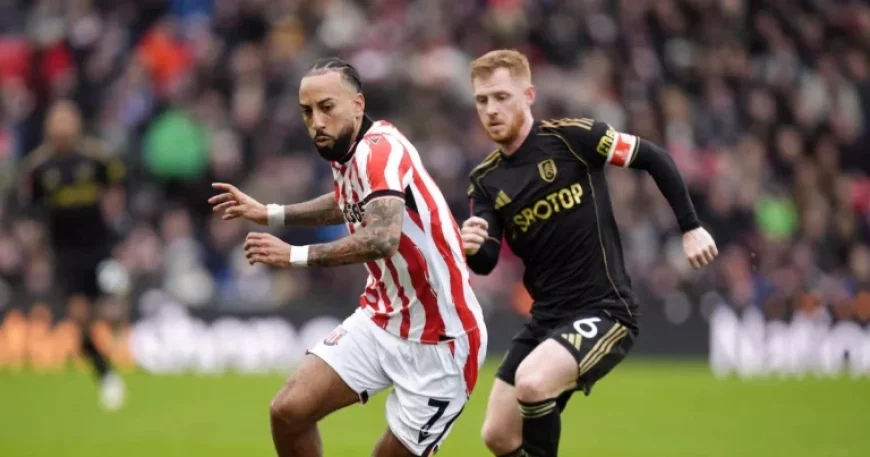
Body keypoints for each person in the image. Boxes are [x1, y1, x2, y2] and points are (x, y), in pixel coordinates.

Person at [209, 58, 487, 457]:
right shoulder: (349, 153)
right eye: (307, 111)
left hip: (442, 341)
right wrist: (269, 213)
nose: (316, 122)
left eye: (327, 107)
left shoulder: (380, 151)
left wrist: (295, 256)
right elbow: (347, 201)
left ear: (358, 104)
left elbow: (382, 238)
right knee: (288, 411)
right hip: (381, 318)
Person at [461, 50, 719, 457]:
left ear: (528, 95)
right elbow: (486, 260)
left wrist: (690, 227)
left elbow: (653, 157)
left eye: (501, 96)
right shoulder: (486, 180)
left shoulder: (575, 138)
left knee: (532, 383)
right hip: (546, 318)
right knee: (497, 434)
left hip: (604, 309)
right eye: (482, 100)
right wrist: (472, 248)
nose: (491, 109)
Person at [18, 100, 127, 411]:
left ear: (77, 123)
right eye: (57, 120)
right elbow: (28, 207)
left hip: (99, 247)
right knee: (79, 319)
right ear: (49, 127)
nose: (63, 126)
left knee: (112, 312)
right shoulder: (39, 167)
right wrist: (33, 242)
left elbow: (117, 187)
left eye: (68, 119)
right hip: (65, 253)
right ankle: (107, 376)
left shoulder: (95, 158)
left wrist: (119, 225)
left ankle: (121, 299)